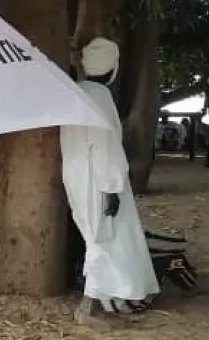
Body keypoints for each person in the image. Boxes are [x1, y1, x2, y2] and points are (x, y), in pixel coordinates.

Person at [64, 38, 161, 323]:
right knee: (103, 238)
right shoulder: (100, 97)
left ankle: (107, 299)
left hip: (76, 175)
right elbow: (104, 146)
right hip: (98, 178)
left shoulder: (77, 92)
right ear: (113, 68)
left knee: (96, 237)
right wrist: (111, 188)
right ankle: (89, 307)